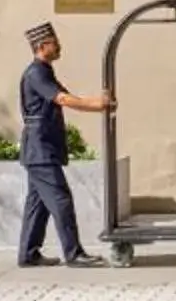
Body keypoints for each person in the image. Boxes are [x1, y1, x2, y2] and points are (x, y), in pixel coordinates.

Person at [18, 21, 114, 268]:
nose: (59, 46)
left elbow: (70, 96)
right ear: (43, 45)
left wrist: (97, 101)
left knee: (37, 204)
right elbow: (63, 99)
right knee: (61, 200)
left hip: (40, 149)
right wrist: (97, 105)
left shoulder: (44, 71)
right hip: (40, 150)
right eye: (55, 42)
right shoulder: (36, 72)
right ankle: (74, 254)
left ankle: (29, 254)